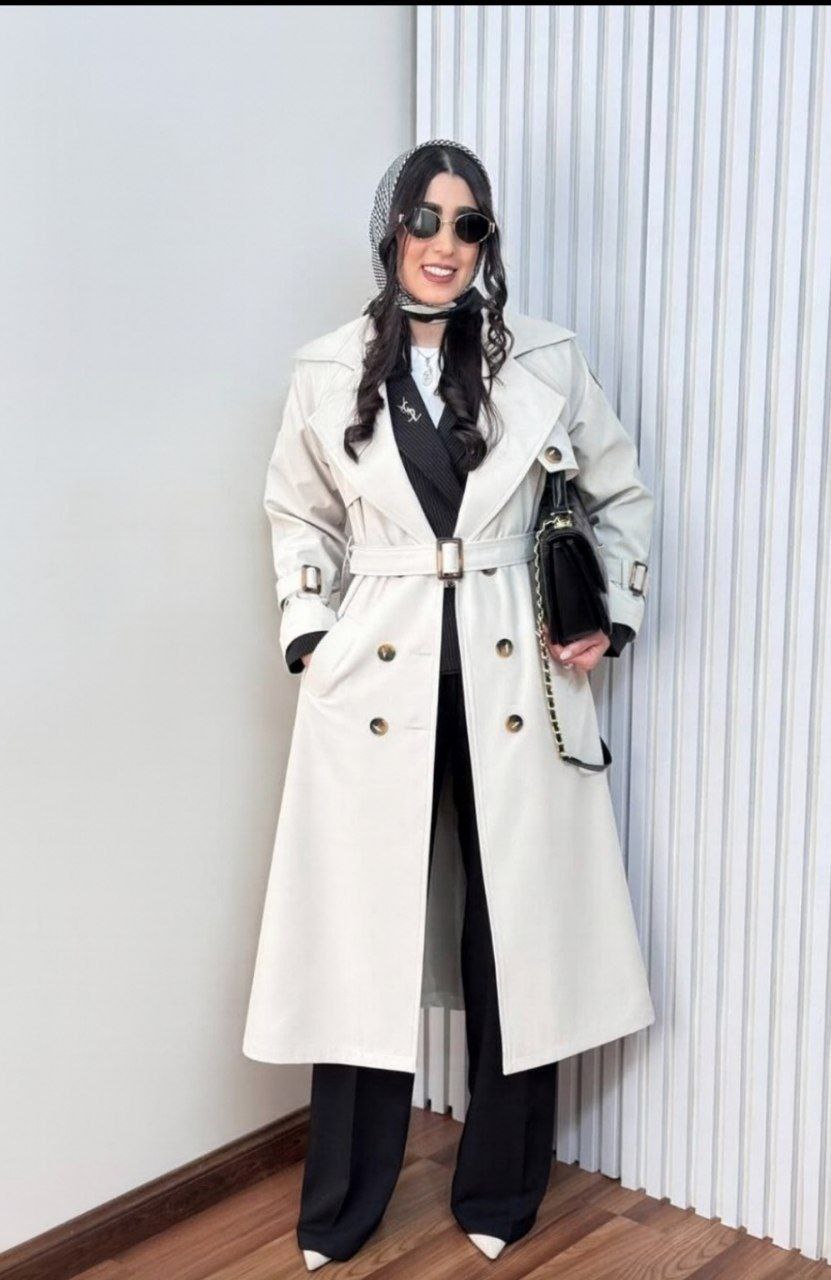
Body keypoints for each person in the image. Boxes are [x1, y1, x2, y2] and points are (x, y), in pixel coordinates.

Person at [242, 139, 656, 1269]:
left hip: (516, 673)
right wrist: (312, 631)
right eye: (424, 220)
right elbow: (297, 513)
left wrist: (610, 615)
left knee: (514, 935)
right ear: (391, 231)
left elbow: (620, 492)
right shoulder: (329, 368)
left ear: (486, 242)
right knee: (359, 937)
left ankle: (503, 1191)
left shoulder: (544, 360)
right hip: (374, 675)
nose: (444, 244)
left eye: (467, 224)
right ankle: (341, 1206)